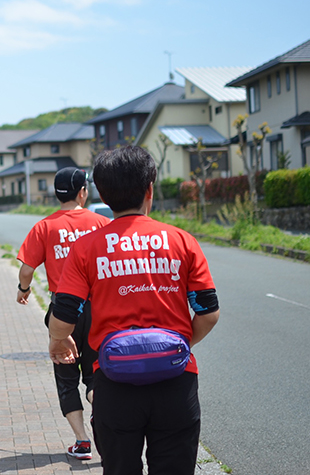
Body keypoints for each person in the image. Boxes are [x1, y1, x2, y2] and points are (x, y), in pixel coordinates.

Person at [48, 146, 220, 475]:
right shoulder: (182, 241)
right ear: (150, 189)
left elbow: (65, 311)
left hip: (114, 383)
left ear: (103, 193)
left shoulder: (86, 248)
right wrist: (177, 346)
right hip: (176, 382)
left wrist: (58, 340)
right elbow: (208, 312)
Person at [16, 167, 110, 461]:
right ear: (83, 191)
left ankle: (82, 442)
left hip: (62, 311)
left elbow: (28, 269)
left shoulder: (44, 227)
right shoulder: (102, 224)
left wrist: (24, 289)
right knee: (97, 377)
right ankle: (104, 424)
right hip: (98, 309)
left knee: (66, 375)